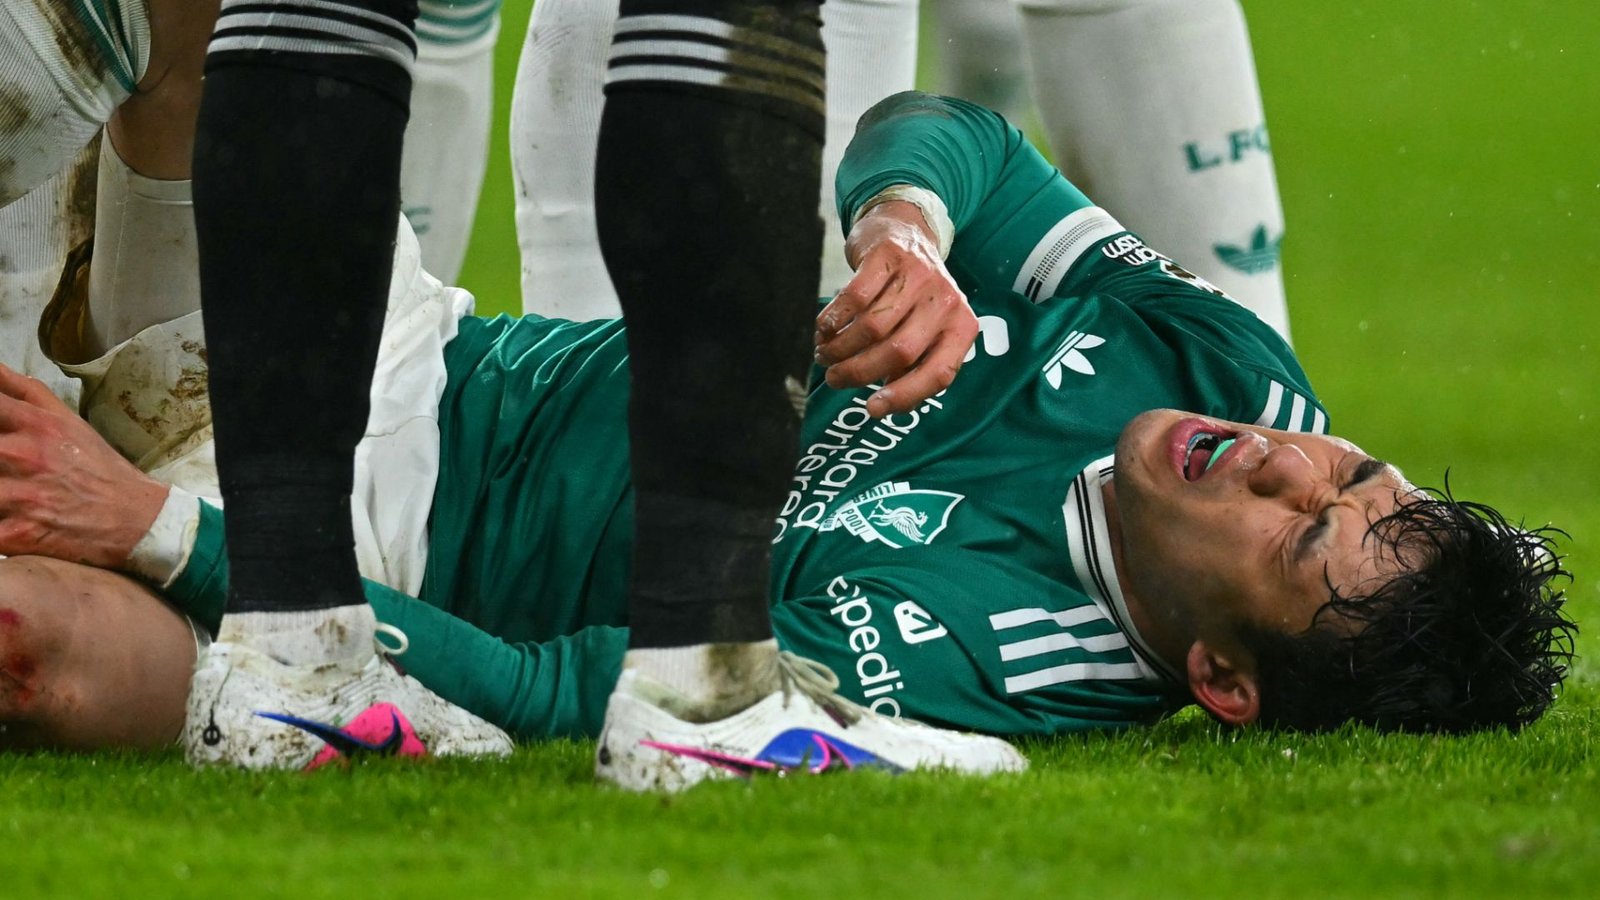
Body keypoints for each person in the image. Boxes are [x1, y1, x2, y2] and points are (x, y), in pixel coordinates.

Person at [0, 91, 1573, 767]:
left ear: (1221, 679)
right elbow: (963, 140)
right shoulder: (1223, 366)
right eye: (1356, 469)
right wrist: (907, 228)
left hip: (374, 585)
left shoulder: (974, 685)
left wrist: (156, 532)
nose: (1291, 458)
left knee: (30, 642)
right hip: (416, 366)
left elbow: (566, 694)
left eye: (1302, 531)